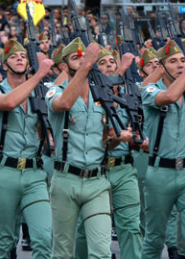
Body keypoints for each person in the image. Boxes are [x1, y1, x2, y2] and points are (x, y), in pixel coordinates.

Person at [46, 38, 132, 258]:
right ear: (64, 66)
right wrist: (87, 65)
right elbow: (64, 104)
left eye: (85, 57)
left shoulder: (102, 96)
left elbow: (106, 141)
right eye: (76, 58)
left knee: (102, 252)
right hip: (66, 180)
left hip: (97, 181)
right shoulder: (54, 91)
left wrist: (119, 139)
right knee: (63, 252)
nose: (83, 61)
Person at [0, 39, 53, 259]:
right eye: (13, 56)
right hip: (5, 173)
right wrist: (38, 75)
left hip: (34, 173)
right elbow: (9, 102)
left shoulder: (39, 92)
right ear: (4, 65)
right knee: (4, 241)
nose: (20, 59)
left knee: (44, 238)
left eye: (23, 56)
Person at [141, 40, 185, 259]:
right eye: (173, 61)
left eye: (182, 60)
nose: (180, 65)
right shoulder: (150, 89)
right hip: (161, 173)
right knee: (154, 239)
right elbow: (168, 97)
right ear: (162, 67)